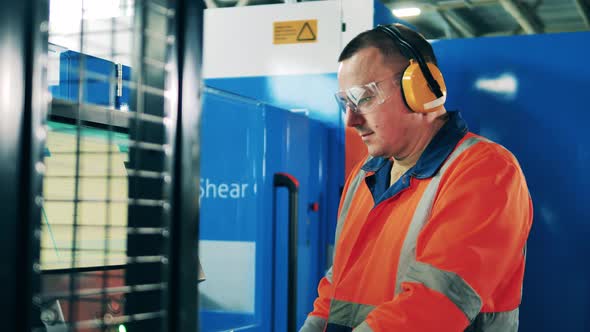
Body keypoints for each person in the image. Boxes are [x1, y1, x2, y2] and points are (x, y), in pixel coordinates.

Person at [299, 23, 533, 332]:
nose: (352, 120)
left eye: (363, 98)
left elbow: (433, 307)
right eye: (346, 103)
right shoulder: (365, 173)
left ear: (421, 89)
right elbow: (337, 283)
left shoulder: (486, 169)